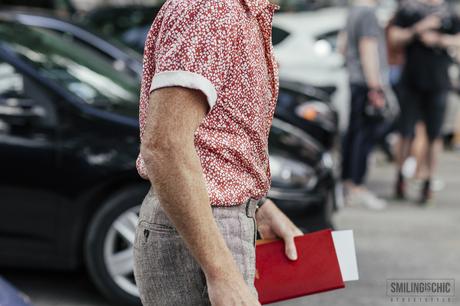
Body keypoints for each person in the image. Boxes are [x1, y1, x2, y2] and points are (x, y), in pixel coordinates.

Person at [132, 0, 303, 305]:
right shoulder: (211, 8)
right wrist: (221, 272)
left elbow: (214, 139)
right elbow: (164, 147)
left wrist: (256, 205)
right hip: (202, 229)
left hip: (213, 221)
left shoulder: (238, 10)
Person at [389, 0, 460, 203]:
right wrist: (418, 29)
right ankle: (400, 176)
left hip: (438, 81)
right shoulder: (409, 9)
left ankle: (428, 180)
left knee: (434, 135)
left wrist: (438, 39)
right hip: (411, 81)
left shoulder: (449, 11)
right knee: (405, 132)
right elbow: (394, 37)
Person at [340, 0, 390, 210]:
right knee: (364, 136)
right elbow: (367, 49)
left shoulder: (352, 11)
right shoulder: (368, 14)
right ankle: (357, 186)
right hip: (365, 83)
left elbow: (342, 47)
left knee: (353, 134)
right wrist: (375, 87)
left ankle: (348, 184)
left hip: (354, 80)